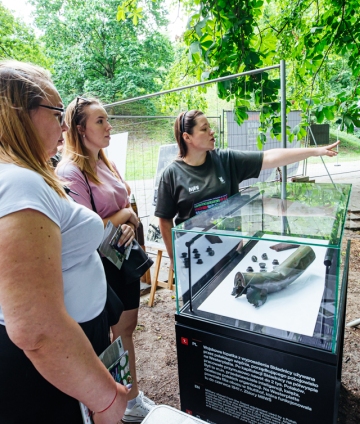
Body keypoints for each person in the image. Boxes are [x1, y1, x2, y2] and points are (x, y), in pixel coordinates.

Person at [0, 60, 129, 423]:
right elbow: (36, 329)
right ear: (18, 113)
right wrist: (104, 398)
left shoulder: (22, 177)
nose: (63, 125)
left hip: (68, 352)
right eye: (56, 113)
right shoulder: (19, 185)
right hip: (49, 369)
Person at [56, 97, 155, 423]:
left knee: (126, 329)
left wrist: (129, 221)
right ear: (80, 129)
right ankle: (109, 404)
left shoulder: (104, 162)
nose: (109, 125)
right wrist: (125, 214)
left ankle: (131, 399)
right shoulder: (71, 172)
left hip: (120, 261)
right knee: (104, 339)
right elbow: (86, 231)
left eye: (107, 119)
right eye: (100, 121)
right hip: (98, 268)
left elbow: (122, 207)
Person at [155, 109, 340, 268]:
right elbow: (164, 220)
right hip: (195, 255)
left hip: (231, 249)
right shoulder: (171, 174)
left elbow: (269, 157)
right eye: (204, 129)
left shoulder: (226, 160)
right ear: (187, 137)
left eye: (210, 127)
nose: (212, 132)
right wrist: (175, 258)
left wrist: (316, 151)